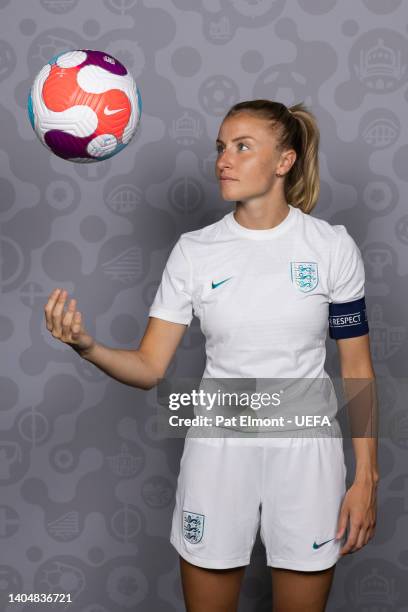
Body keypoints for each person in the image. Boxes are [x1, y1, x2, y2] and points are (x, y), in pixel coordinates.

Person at [44, 99, 379, 612]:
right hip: (218, 453)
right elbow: (149, 367)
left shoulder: (330, 247)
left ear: (284, 161)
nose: (224, 159)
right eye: (221, 148)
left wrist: (364, 478)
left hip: (307, 457)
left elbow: (357, 368)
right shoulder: (195, 250)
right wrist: (87, 347)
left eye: (243, 147)